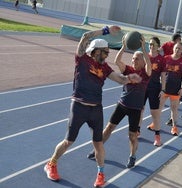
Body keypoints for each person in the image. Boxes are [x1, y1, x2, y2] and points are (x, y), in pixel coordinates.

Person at [44, 25, 142, 188]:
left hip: (96, 110)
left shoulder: (104, 67)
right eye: (105, 51)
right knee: (69, 141)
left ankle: (101, 174)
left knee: (98, 143)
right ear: (96, 50)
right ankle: (51, 163)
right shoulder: (82, 59)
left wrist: (129, 78)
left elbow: (119, 79)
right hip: (79, 107)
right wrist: (105, 31)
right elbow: (85, 36)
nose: (107, 54)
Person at [88, 34, 151, 169]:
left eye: (137, 59)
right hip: (122, 105)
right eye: (133, 58)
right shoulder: (128, 69)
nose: (134, 60)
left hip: (135, 109)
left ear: (143, 61)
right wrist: (123, 47)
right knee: (109, 128)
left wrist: (144, 49)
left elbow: (149, 65)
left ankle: (132, 156)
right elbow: (117, 61)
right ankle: (96, 151)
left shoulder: (146, 73)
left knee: (132, 136)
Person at [139, 37, 166, 146]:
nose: (151, 46)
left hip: (155, 88)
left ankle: (157, 137)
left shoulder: (161, 59)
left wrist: (163, 90)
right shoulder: (145, 57)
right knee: (139, 110)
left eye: (153, 44)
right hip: (143, 87)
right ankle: (137, 131)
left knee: (155, 113)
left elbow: (163, 75)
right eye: (150, 44)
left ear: (158, 46)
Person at [159, 42, 182, 135]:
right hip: (164, 88)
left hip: (176, 90)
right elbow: (161, 73)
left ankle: (174, 127)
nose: (177, 50)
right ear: (173, 48)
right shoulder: (166, 58)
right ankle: (155, 124)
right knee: (159, 108)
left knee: (174, 109)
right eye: (176, 48)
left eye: (179, 48)